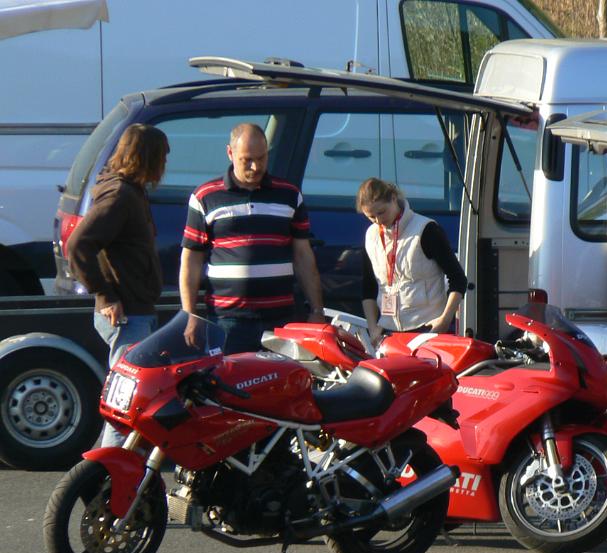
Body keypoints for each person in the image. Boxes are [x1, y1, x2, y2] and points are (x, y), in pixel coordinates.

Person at [66, 123, 170, 447]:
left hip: (135, 313)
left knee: (125, 408)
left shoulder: (130, 190)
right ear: (147, 158)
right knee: (126, 409)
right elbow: (78, 245)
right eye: (162, 157)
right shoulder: (120, 195)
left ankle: (108, 480)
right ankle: (109, 487)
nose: (165, 165)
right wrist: (106, 294)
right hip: (127, 317)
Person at [179, 122, 323, 353]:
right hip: (228, 321)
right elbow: (191, 260)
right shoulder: (205, 197)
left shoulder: (289, 194)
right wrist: (189, 314)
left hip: (280, 318)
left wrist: (317, 310)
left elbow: (303, 255)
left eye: (262, 158)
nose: (256, 167)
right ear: (230, 153)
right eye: (247, 160)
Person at [355, 177, 467, 341]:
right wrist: (373, 327)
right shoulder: (371, 235)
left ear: (393, 199)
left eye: (381, 212)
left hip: (427, 326)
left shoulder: (426, 229)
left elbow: (458, 279)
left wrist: (445, 319)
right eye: (371, 216)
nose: (378, 221)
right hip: (389, 328)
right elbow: (369, 285)